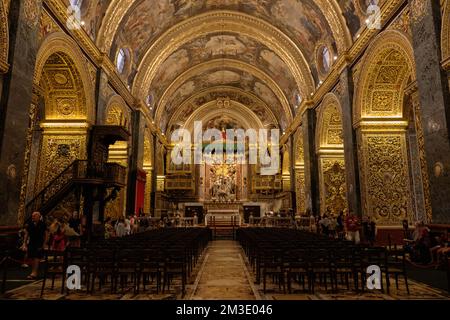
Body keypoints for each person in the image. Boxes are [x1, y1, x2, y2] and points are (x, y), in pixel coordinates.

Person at [22, 212, 48, 280]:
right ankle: (34, 271)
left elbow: (46, 235)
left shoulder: (43, 224)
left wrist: (44, 243)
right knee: (32, 257)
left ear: (39, 217)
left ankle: (34, 273)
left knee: (36, 257)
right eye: (32, 216)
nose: (33, 217)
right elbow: (26, 234)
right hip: (31, 242)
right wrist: (24, 243)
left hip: (39, 243)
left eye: (34, 216)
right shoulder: (30, 224)